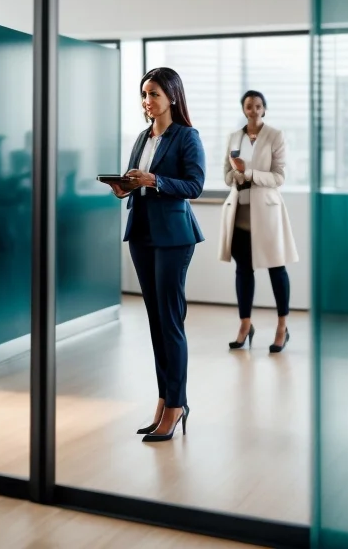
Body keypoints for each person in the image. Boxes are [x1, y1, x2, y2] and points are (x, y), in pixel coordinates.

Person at [106, 67, 205, 443]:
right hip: (142, 233)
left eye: (154, 95)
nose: (147, 101)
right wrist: (125, 187)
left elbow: (194, 185)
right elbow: (136, 184)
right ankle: (165, 400)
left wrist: (154, 180)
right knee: (154, 320)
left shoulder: (186, 137)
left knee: (170, 321)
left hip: (174, 236)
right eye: (144, 94)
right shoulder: (143, 138)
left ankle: (176, 406)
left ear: (172, 98)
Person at [219, 90, 298, 354]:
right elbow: (227, 176)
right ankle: (245, 326)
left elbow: (278, 177)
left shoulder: (275, 135)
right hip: (239, 214)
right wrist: (237, 175)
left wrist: (249, 173)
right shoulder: (234, 137)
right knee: (243, 271)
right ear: (243, 109)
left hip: (267, 214)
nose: (253, 110)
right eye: (249, 106)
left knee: (277, 269)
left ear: (264, 109)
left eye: (258, 106)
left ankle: (281, 327)